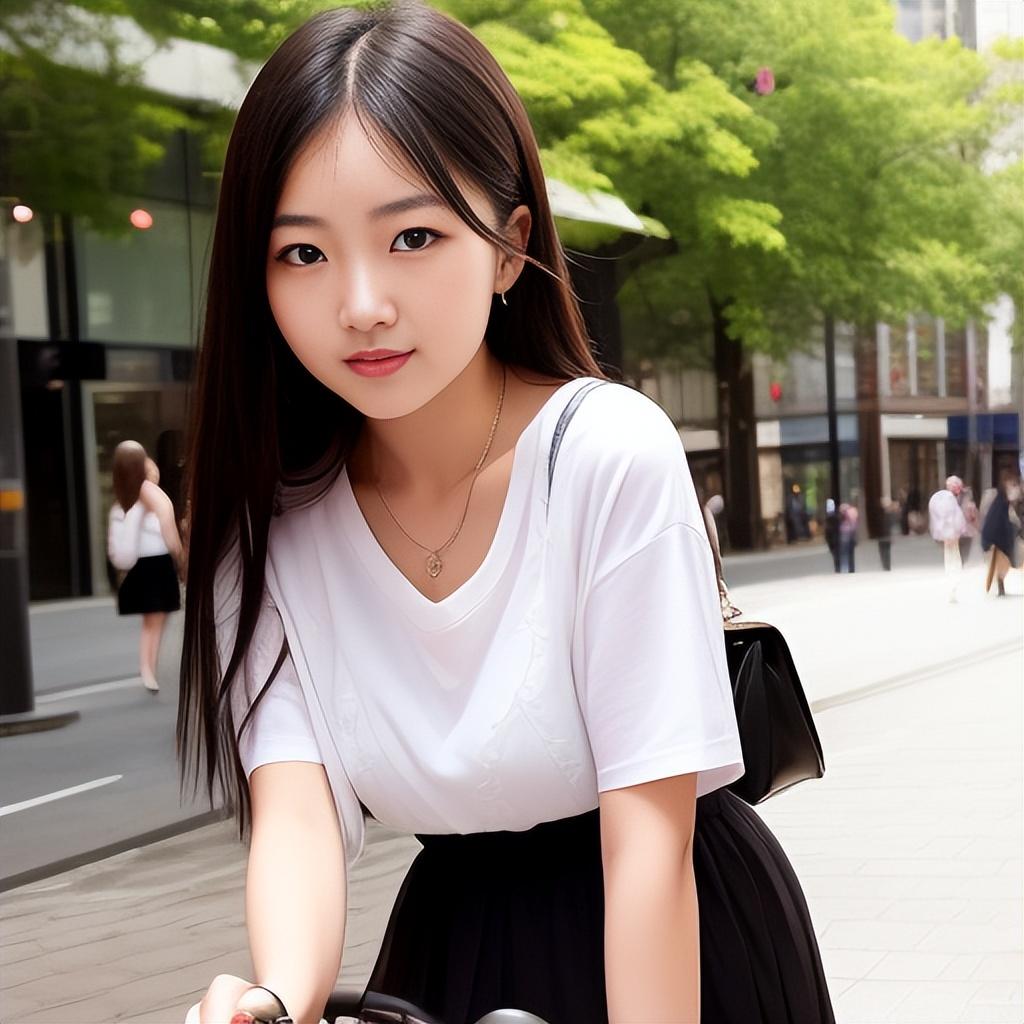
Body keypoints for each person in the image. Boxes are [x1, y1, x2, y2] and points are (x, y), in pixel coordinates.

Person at [178, 6, 834, 1023]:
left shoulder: (605, 454)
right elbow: (295, 811)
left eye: (412, 236)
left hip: (677, 943)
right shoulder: (268, 525)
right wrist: (271, 999)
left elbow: (648, 839)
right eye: (301, 253)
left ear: (507, 245)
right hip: (449, 950)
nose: (361, 303)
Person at [106, 441, 183, 692]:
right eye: (149, 467)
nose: (154, 470)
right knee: (153, 622)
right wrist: (181, 557)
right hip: (154, 565)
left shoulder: (132, 494)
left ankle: (150, 667)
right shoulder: (148, 492)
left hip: (149, 565)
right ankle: (148, 670)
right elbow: (168, 533)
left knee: (154, 621)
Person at [981, 474, 1022, 597]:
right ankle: (1000, 586)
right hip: (997, 540)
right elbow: (999, 522)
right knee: (1001, 564)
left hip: (999, 539)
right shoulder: (1001, 503)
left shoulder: (1003, 502)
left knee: (1001, 564)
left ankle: (1001, 586)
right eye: (1012, 487)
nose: (1016, 490)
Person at [928, 475, 967, 602]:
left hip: (945, 534)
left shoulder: (940, 497)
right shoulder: (950, 499)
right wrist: (960, 529)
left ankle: (952, 585)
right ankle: (953, 586)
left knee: (949, 558)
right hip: (952, 533)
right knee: (954, 559)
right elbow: (954, 517)